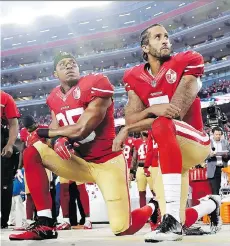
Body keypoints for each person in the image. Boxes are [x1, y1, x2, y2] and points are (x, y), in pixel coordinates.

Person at [9, 52, 157, 241]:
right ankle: (45, 223)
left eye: (73, 63)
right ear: (55, 74)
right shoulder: (53, 98)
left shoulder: (96, 83)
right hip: (78, 161)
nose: (70, 66)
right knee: (33, 150)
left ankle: (153, 206)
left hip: (107, 163)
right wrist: (55, 139)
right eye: (63, 65)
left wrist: (47, 133)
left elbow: (82, 129)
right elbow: (55, 130)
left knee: (122, 228)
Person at [112, 24, 216, 242]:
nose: (165, 40)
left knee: (162, 124)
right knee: (179, 216)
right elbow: (131, 116)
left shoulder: (187, 61)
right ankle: (211, 204)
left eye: (167, 36)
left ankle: (171, 221)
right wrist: (150, 109)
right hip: (166, 154)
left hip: (194, 141)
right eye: (158, 37)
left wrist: (130, 128)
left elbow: (174, 113)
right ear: (145, 48)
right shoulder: (134, 76)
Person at [1, 90, 20, 229]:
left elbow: (13, 123)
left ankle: (3, 220)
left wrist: (10, 144)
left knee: (4, 183)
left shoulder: (5, 98)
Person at [133, 131, 154, 208]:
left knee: (154, 191)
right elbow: (134, 157)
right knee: (141, 192)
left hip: (150, 167)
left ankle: (158, 213)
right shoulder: (137, 142)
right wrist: (132, 170)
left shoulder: (152, 139)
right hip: (140, 168)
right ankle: (143, 213)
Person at [207, 127, 230, 194]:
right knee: (215, 190)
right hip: (213, 169)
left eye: (219, 134)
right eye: (216, 134)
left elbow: (229, 153)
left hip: (224, 168)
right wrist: (210, 155)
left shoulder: (225, 142)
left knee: (225, 189)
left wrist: (226, 155)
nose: (218, 136)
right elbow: (203, 156)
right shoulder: (208, 143)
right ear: (212, 134)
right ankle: (217, 203)